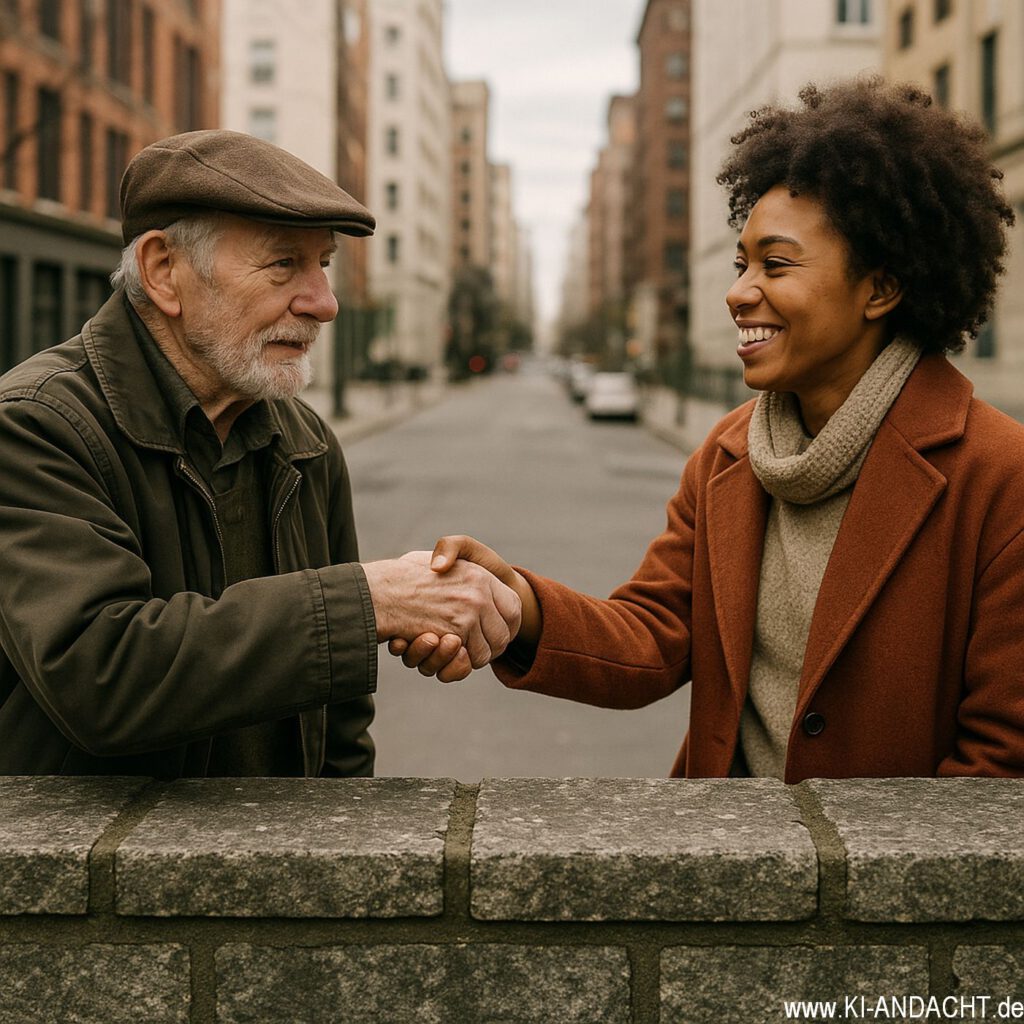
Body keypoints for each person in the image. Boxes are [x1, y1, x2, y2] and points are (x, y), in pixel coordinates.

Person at [393, 78, 1024, 781]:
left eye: (775, 265)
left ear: (880, 288)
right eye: (740, 263)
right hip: (728, 871)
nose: (738, 291)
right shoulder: (729, 451)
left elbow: (1000, 763)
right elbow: (654, 637)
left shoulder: (999, 475)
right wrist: (519, 606)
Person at [0, 129, 519, 777]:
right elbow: (100, 678)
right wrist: (371, 599)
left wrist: (340, 848)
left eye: (322, 264)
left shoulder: (305, 442)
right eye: (283, 265)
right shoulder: (34, 425)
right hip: (85, 870)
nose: (323, 304)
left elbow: (341, 724)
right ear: (165, 271)